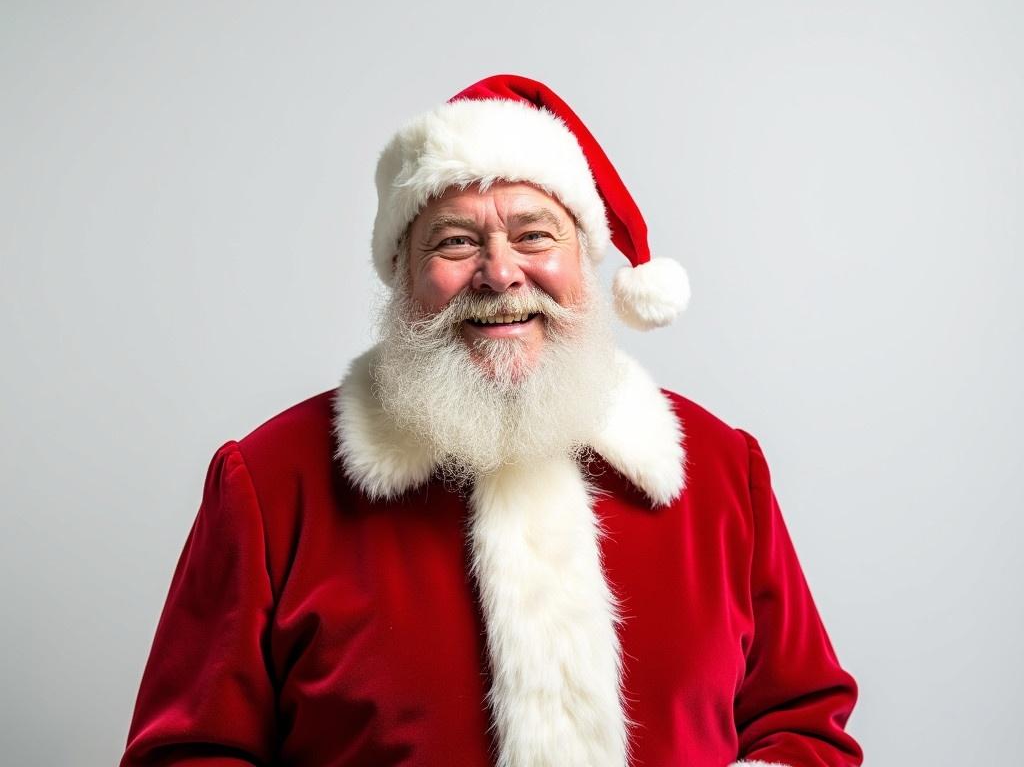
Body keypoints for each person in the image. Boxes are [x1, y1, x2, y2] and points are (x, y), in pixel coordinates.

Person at [120, 74, 863, 767]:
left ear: (585, 262)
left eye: (535, 235)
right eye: (456, 241)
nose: (500, 272)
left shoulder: (721, 468)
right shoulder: (273, 482)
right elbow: (186, 754)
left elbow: (802, 722)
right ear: (403, 272)